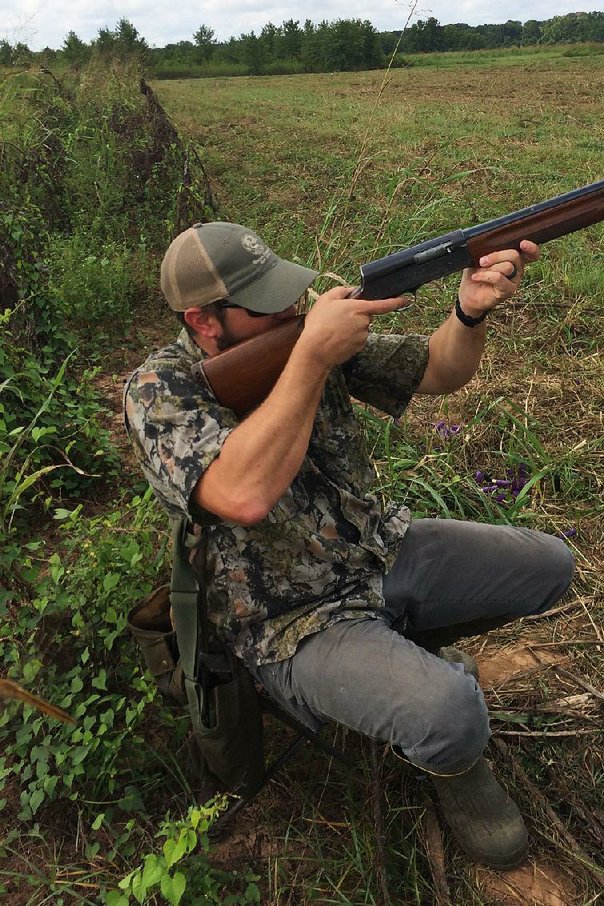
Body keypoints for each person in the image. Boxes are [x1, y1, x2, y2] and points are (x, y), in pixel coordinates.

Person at [124, 221, 574, 870]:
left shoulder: (299, 332)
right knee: (452, 713)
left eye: (288, 292)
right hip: (290, 619)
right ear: (204, 320)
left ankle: (404, 655)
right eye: (268, 303)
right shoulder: (160, 391)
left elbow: (440, 370)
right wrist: (310, 356)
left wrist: (468, 313)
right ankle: (454, 761)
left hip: (379, 549)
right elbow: (241, 494)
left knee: (548, 568)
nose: (292, 309)